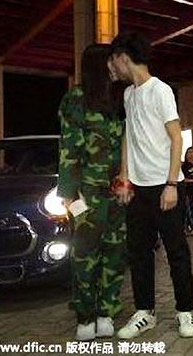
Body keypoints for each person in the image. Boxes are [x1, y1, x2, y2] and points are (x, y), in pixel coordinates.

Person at [108, 31, 193, 339]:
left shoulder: (160, 90)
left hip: (166, 185)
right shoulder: (128, 95)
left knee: (176, 252)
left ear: (123, 57)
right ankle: (144, 312)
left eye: (113, 60)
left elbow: (176, 138)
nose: (112, 68)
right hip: (139, 189)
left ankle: (185, 312)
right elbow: (127, 140)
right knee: (139, 253)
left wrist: (172, 183)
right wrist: (124, 178)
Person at [57, 44, 127, 341]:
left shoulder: (116, 99)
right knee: (85, 255)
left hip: (116, 193)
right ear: (99, 64)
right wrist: (70, 195)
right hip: (85, 193)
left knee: (114, 253)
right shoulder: (76, 99)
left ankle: (106, 312)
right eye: (111, 60)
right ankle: (85, 315)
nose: (115, 65)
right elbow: (68, 149)